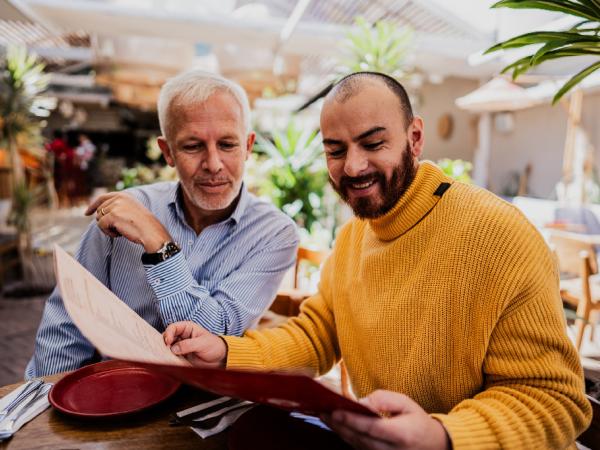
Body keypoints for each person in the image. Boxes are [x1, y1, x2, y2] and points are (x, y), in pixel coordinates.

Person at [163, 72, 592, 449]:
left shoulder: (499, 235)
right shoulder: (352, 237)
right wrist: (224, 351)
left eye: (373, 143)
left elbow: (556, 401)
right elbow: (317, 336)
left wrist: (444, 437)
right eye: (335, 150)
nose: (353, 166)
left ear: (415, 138)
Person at [26, 70, 299, 378]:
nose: (213, 164)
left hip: (202, 404)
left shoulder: (275, 233)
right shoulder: (123, 213)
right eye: (193, 146)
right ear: (167, 152)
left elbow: (214, 334)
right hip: (112, 393)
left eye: (227, 144)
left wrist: (159, 244)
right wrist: (44, 400)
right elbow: (67, 323)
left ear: (248, 146)